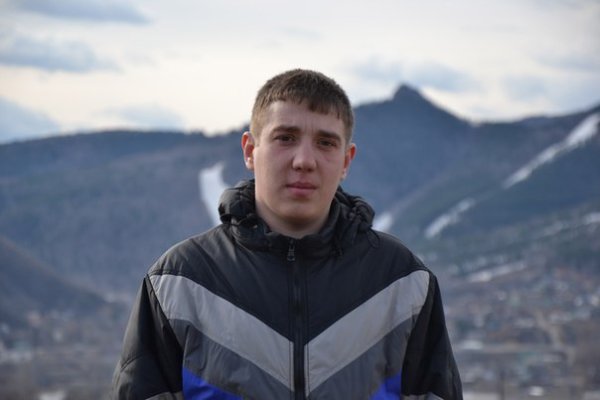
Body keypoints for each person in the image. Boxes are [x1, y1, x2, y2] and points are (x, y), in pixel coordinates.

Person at [111, 69, 463, 399]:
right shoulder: (180, 282)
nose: (304, 160)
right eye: (286, 138)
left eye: (326, 143)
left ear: (346, 161)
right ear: (250, 150)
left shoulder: (402, 282)